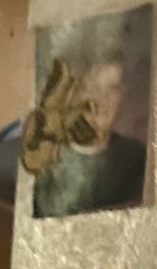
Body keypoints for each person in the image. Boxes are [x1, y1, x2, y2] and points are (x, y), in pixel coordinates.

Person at [32, 53, 148, 217]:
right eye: (92, 88)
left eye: (113, 88)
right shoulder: (38, 154)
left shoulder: (137, 158)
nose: (102, 99)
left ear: (123, 96)